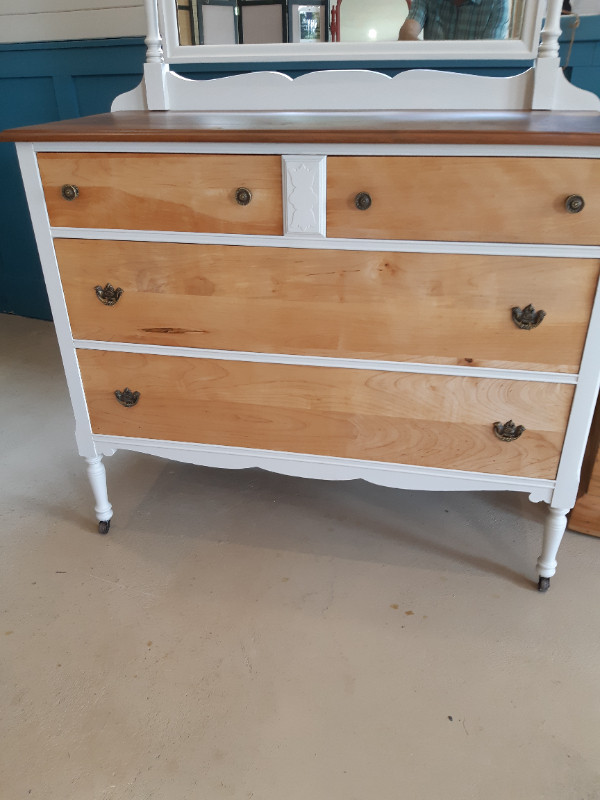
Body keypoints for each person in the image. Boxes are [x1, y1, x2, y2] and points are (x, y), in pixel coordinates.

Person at [398, 0, 509, 41]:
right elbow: (407, 33)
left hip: (473, 82)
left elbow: (490, 58)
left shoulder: (498, 3)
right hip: (432, 79)